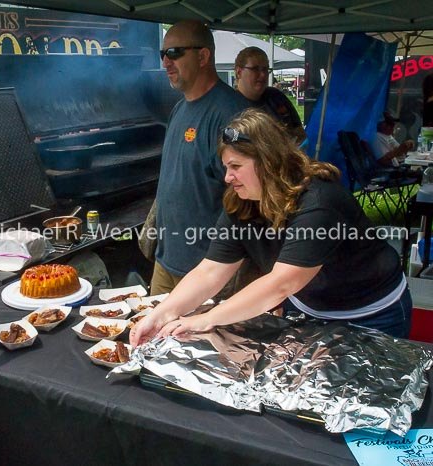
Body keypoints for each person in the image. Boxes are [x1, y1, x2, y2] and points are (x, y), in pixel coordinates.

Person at [131, 109, 412, 347]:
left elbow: (281, 283)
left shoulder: (319, 201)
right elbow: (211, 270)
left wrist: (206, 319)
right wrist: (162, 313)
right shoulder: (241, 203)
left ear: (267, 163)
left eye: (235, 166)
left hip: (371, 313)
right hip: (308, 308)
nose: (227, 177)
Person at [152, 20, 249, 295]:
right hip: (167, 261)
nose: (165, 63)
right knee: (148, 336)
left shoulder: (233, 115)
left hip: (208, 271)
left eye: (174, 53)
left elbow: (247, 200)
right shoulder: (179, 109)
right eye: (163, 55)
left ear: (203, 56)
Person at [234, 46, 306, 144]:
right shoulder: (230, 106)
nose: (263, 74)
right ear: (239, 72)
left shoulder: (276, 97)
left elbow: (299, 132)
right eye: (255, 69)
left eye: (266, 69)